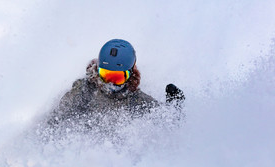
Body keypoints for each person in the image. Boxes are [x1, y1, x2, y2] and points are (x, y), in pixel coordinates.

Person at [41, 39, 184, 138]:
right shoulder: (85, 90)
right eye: (105, 75)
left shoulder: (135, 100)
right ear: (98, 70)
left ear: (130, 73)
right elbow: (56, 118)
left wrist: (176, 105)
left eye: (118, 78)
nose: (111, 84)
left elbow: (166, 124)